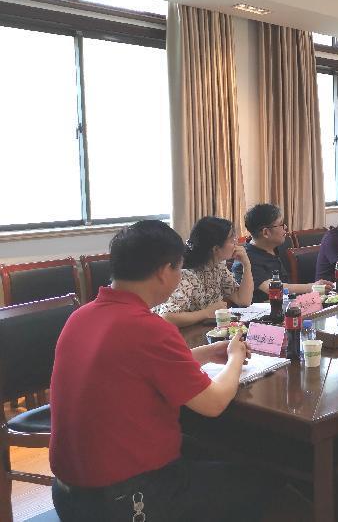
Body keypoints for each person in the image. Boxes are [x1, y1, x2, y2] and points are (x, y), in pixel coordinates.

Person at [49, 220, 276, 521]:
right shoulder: (148, 328)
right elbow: (214, 403)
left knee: (214, 447)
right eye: (178, 268)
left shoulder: (82, 316)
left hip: (70, 491)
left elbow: (136, 367)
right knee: (262, 481)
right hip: (125, 496)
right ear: (163, 271)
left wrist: (207, 353)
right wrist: (235, 357)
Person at [153, 216, 254, 327]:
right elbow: (167, 317)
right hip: (181, 334)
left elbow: (243, 300)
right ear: (215, 249)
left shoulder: (218, 267)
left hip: (203, 331)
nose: (236, 242)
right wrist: (206, 313)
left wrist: (247, 265)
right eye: (231, 239)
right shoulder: (185, 274)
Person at [232, 203, 332, 300]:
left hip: (285, 303)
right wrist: (312, 287)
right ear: (266, 232)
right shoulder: (245, 258)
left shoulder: (277, 246)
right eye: (281, 224)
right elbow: (271, 288)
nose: (285, 227)